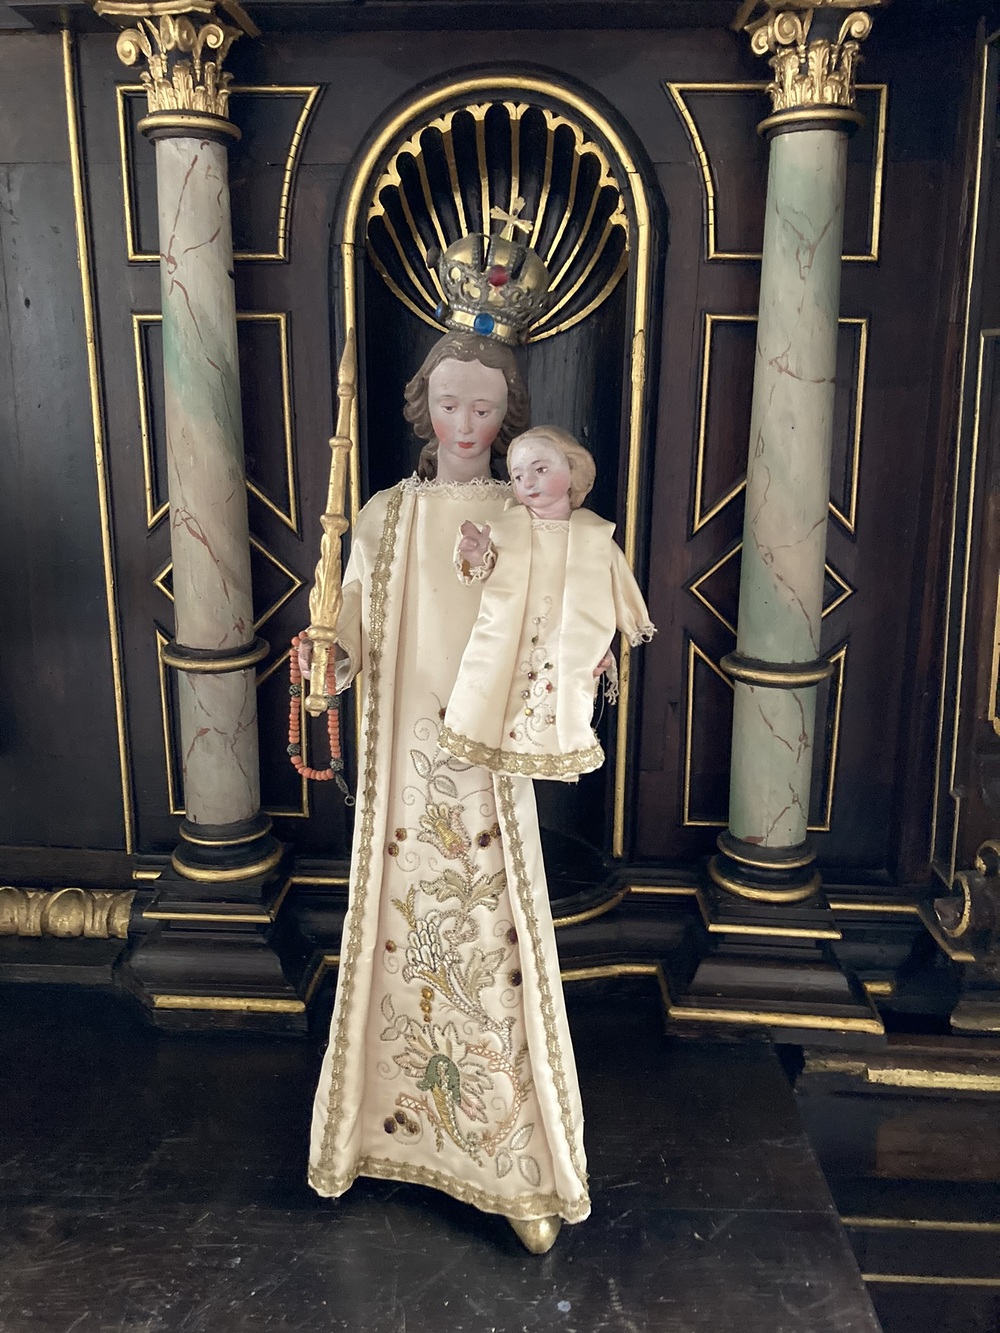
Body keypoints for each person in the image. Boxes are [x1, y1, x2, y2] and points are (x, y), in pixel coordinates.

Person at [305, 315, 592, 1253]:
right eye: (449, 403)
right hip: (400, 769)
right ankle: (374, 1136)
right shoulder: (384, 514)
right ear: (422, 406)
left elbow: (562, 611)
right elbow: (353, 615)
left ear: (509, 415)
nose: (464, 423)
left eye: (484, 407)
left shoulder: (523, 512)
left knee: (488, 942)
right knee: (391, 931)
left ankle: (512, 1163)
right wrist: (330, 654)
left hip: (479, 768)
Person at [441, 426, 655, 782]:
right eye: (517, 476)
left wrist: (615, 635)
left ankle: (553, 752)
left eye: (540, 469)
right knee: (497, 697)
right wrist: (476, 555)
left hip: (567, 638)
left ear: (573, 469)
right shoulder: (503, 528)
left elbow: (615, 586)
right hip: (508, 637)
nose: (528, 482)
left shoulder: (595, 537)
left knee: (559, 699)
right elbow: (480, 569)